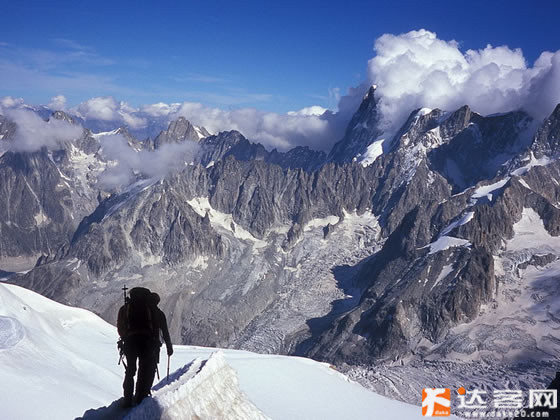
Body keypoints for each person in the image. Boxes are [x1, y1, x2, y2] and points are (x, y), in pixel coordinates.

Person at [117, 287, 173, 407]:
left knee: (130, 370)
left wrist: (126, 338)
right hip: (147, 344)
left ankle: (127, 399)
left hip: (129, 343)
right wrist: (169, 347)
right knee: (145, 369)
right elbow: (165, 331)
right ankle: (140, 396)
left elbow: (120, 327)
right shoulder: (156, 311)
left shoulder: (126, 308)